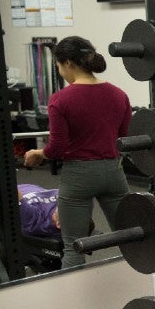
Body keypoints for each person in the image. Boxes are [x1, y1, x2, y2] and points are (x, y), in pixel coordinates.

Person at [23, 36, 131, 269]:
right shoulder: (119, 95)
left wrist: (39, 153)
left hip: (79, 176)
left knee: (74, 247)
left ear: (69, 63)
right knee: (131, 238)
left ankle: (71, 303)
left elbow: (57, 149)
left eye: (59, 66)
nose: (60, 72)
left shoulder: (60, 100)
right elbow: (123, 138)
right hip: (114, 172)